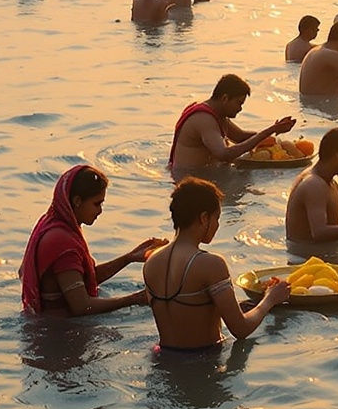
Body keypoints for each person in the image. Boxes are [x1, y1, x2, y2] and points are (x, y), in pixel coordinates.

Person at [140, 177, 288, 350]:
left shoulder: (152, 261)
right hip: (205, 360)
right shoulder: (210, 264)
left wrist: (230, 307)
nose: (217, 225)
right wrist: (270, 299)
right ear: (204, 218)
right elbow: (241, 329)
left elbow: (185, 312)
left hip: (163, 356)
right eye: (217, 218)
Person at [19, 164, 159, 315]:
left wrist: (128, 258)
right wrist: (135, 299)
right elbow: (82, 306)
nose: (100, 211)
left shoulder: (55, 225)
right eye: (96, 203)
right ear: (77, 201)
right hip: (57, 332)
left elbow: (81, 281)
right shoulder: (61, 242)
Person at [168, 75, 295, 172]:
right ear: (224, 98)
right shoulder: (204, 118)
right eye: (239, 103)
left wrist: (273, 132)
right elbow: (224, 154)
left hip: (207, 174)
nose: (240, 109)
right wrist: (269, 131)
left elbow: (239, 137)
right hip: (189, 178)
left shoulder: (217, 113)